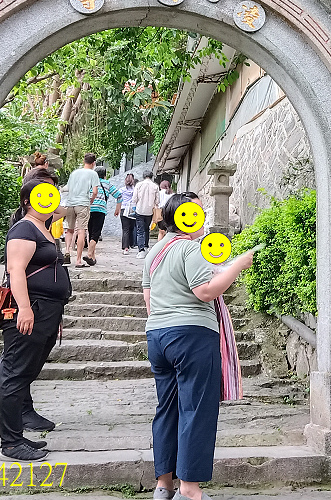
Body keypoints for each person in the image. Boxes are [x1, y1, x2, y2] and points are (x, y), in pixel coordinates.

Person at [142, 194, 255, 500]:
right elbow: (205, 291)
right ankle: (190, 489)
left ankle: (163, 485)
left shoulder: (155, 252)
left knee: (167, 409)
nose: (202, 221)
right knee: (196, 409)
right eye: (197, 215)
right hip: (191, 335)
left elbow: (148, 299)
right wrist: (239, 266)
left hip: (158, 336)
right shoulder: (190, 249)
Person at [0, 176, 72, 462]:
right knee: (15, 373)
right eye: (42, 196)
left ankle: (17, 433)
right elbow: (16, 271)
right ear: (28, 201)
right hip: (30, 310)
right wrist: (25, 308)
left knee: (25, 372)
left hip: (47, 310)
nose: (49, 202)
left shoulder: (44, 228)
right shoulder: (25, 229)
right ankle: (11, 443)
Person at [62, 153, 100, 268]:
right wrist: (91, 200)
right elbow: (94, 191)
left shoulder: (74, 173)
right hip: (82, 203)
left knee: (70, 230)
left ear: (84, 161)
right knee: (82, 231)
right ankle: (78, 260)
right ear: (93, 163)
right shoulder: (93, 174)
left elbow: (67, 188)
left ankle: (67, 252)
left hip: (70, 203)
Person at [85, 166, 122, 266]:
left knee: (90, 231)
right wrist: (117, 209)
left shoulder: (90, 183)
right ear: (105, 175)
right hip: (100, 210)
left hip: (89, 209)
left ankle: (92, 257)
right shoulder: (107, 183)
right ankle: (89, 254)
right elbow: (119, 195)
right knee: (96, 233)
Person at [132, 171, 159, 258]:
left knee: (140, 230)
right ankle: (146, 246)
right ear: (151, 177)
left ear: (143, 176)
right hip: (150, 211)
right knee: (147, 229)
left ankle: (141, 250)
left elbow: (134, 198)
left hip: (140, 210)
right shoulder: (155, 186)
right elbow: (157, 201)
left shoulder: (139, 185)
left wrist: (135, 205)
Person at [119, 173, 137, 251]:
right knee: (131, 228)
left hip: (123, 209)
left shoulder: (121, 190)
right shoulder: (135, 190)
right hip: (132, 210)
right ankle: (131, 244)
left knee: (125, 229)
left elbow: (118, 199)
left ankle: (125, 247)